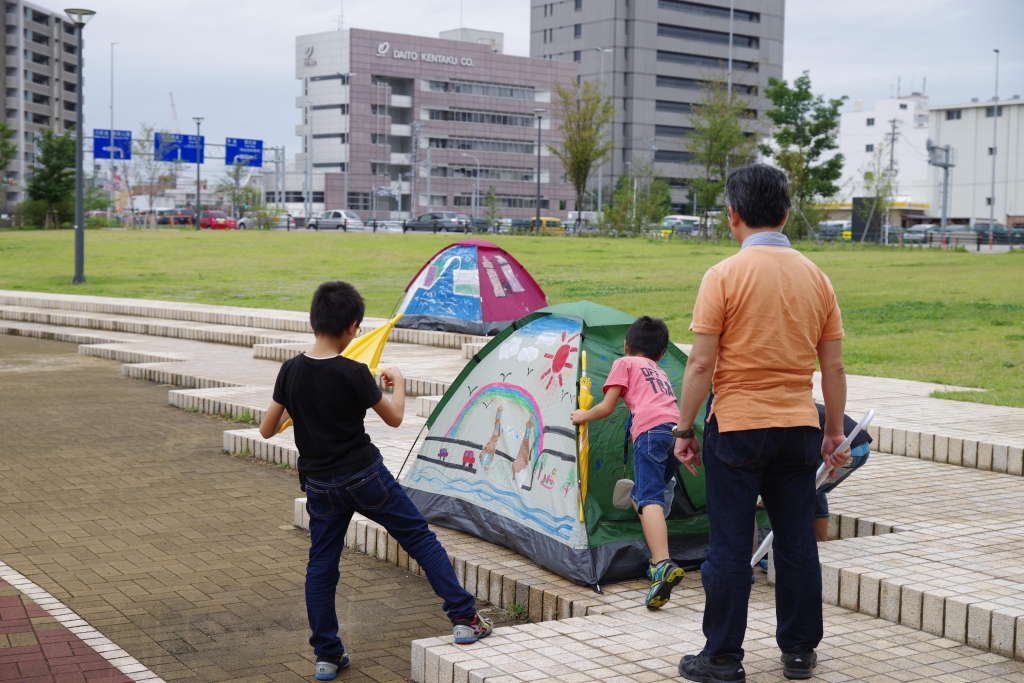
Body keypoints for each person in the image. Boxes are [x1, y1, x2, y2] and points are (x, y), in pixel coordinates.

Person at [259, 281, 491, 681]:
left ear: (314, 321)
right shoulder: (353, 372)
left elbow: (267, 429)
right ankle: (464, 619)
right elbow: (395, 417)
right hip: (366, 477)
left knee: (322, 566)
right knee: (419, 538)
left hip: (320, 487)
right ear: (353, 327)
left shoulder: (290, 370)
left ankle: (327, 656)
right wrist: (397, 381)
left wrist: (298, 407)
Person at [672, 164, 851, 683]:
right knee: (796, 542)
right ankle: (798, 652)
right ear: (787, 213)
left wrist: (683, 429)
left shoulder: (723, 275)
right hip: (799, 428)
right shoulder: (817, 277)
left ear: (733, 216)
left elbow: (702, 364)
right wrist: (834, 432)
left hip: (737, 428)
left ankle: (723, 658)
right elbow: (833, 367)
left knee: (731, 545)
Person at [571, 316, 684, 610]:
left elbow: (607, 407)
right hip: (675, 432)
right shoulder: (659, 371)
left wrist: (582, 415)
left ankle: (662, 563)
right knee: (642, 497)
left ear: (626, 345)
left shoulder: (625, 363)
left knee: (650, 499)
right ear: (661, 353)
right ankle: (656, 560)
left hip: (650, 433)